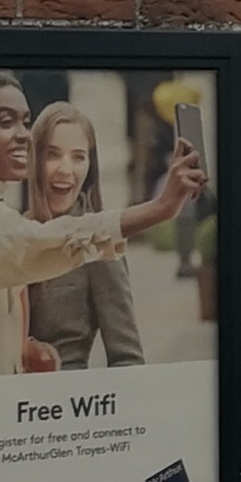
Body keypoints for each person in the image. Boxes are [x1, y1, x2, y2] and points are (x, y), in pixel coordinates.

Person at [0, 71, 200, 381]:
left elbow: (126, 356)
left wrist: (27, 353)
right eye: (6, 122)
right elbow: (27, 242)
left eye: (26, 122)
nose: (23, 135)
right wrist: (158, 208)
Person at [26, 101, 147, 368]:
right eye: (52, 155)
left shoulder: (98, 241)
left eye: (78, 157)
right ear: (33, 159)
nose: (65, 169)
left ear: (89, 167)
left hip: (66, 390)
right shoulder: (13, 230)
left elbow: (127, 358)